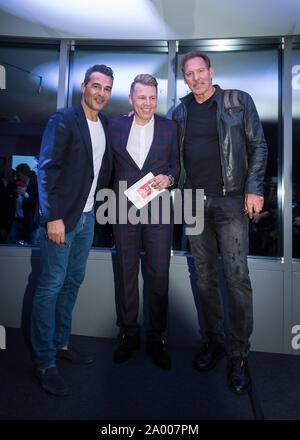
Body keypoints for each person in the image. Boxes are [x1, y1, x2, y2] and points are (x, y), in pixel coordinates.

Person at [172, 51, 268, 394]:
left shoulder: (237, 101)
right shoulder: (179, 111)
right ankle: (214, 341)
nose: (195, 77)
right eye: (189, 73)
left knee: (237, 277)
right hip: (192, 203)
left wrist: (254, 189)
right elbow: (169, 151)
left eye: (200, 71)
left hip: (231, 201)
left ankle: (239, 353)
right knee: (204, 277)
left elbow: (259, 145)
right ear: (184, 78)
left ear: (211, 72)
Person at [30, 64, 114, 396]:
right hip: (62, 219)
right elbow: (47, 170)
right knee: (50, 285)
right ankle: (44, 361)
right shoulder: (63, 120)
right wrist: (52, 217)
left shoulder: (104, 124)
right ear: (84, 87)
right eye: (96, 86)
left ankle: (61, 344)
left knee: (72, 282)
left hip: (88, 218)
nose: (101, 93)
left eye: (107, 89)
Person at [109, 74, 179, 370]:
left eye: (152, 97)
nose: (147, 103)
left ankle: (156, 337)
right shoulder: (115, 125)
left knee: (158, 275)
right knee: (125, 272)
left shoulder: (170, 127)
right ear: (131, 99)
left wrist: (171, 178)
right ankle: (128, 334)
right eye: (141, 98)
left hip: (160, 209)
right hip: (123, 208)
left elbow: (177, 164)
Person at [7, 163, 39, 245]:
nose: (17, 177)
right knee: (10, 245)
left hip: (30, 223)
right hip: (16, 221)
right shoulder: (14, 185)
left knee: (32, 246)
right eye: (16, 175)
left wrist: (25, 194)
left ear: (25, 175)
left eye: (19, 175)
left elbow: (36, 203)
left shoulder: (35, 185)